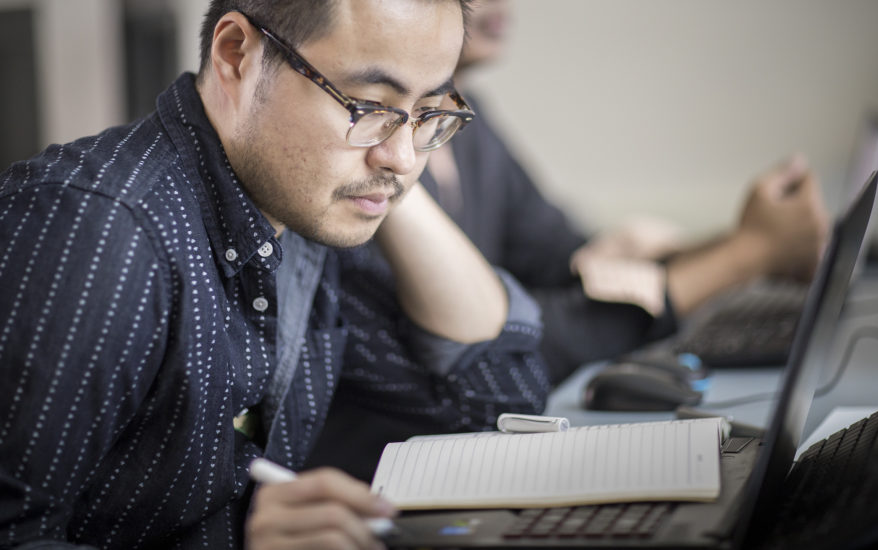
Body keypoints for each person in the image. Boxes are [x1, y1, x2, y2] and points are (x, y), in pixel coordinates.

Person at [0, 1, 551, 548]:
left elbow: (495, 397)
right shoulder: (102, 232)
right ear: (236, 54)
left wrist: (388, 172)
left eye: (431, 111)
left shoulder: (306, 209)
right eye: (366, 103)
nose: (405, 157)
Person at [420, 0, 830, 382]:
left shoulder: (471, 124)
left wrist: (746, 245)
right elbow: (509, 343)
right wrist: (748, 255)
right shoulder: (385, 161)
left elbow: (569, 261)